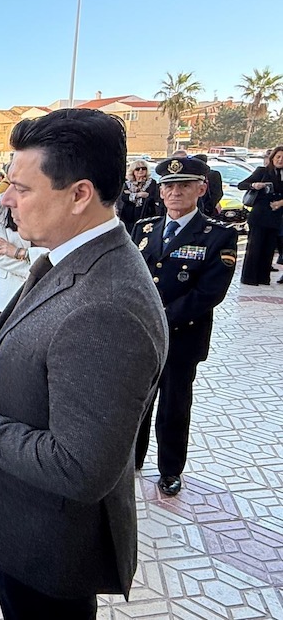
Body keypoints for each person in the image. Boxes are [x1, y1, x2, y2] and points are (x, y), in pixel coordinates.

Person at [0, 109, 168, 619]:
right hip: (24, 529)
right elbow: (53, 365)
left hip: (49, 547)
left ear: (79, 194)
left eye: (21, 188)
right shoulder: (67, 255)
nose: (5, 200)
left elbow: (81, 467)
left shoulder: (108, 305)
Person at [132, 157, 237, 497]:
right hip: (142, 338)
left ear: (201, 189)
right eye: (168, 186)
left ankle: (170, 470)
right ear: (160, 191)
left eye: (184, 185)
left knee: (173, 408)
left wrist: (159, 316)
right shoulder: (144, 229)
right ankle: (132, 459)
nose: (174, 192)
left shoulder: (218, 235)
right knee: (136, 403)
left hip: (181, 338)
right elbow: (132, 279)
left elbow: (209, 293)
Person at [0, 194, 48, 329]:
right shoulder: (5, 200)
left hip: (42, 294)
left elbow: (56, 252)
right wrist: (34, 270)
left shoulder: (51, 198)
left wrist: (19, 252)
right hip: (5, 296)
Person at [238, 146, 283, 285]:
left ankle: (263, 277)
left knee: (269, 248)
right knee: (255, 247)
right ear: (272, 158)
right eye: (278, 157)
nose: (280, 160)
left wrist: (281, 203)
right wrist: (254, 185)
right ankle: (250, 277)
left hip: (276, 217)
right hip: (260, 215)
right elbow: (242, 185)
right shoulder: (262, 171)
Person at [116, 160, 159, 233]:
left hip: (146, 213)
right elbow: (124, 197)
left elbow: (152, 196)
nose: (141, 171)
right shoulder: (127, 184)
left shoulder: (152, 182)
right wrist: (139, 194)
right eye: (137, 169)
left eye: (143, 168)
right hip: (129, 216)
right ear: (133, 171)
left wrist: (132, 194)